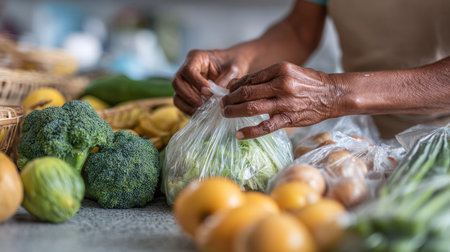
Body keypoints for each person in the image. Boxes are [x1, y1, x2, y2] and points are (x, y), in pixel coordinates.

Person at [172, 0, 450, 139]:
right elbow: (300, 30)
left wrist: (333, 93)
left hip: (442, 141)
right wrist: (237, 59)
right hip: (361, 137)